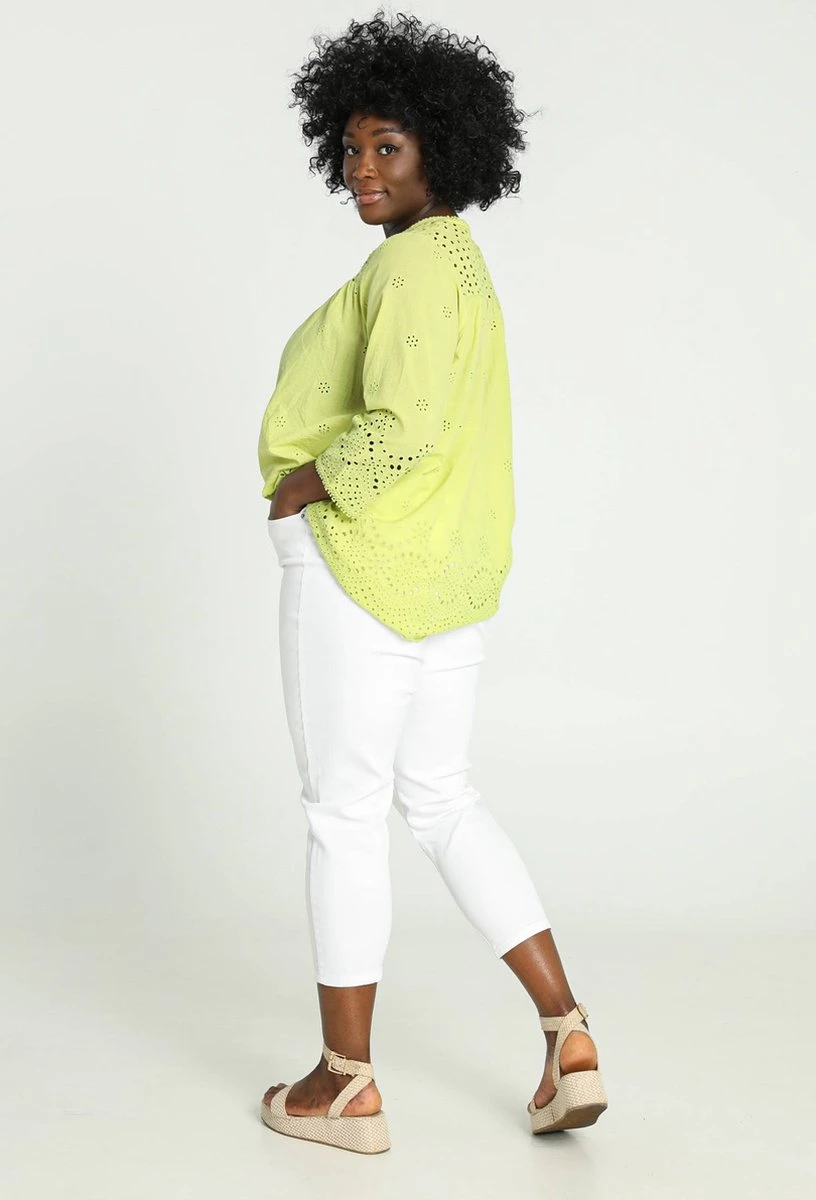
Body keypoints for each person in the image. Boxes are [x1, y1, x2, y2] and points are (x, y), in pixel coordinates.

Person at [256, 11, 607, 1154]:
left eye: (388, 146)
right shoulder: (463, 265)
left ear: (442, 150)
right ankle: (567, 1034)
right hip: (447, 580)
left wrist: (307, 484)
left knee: (344, 814)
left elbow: (403, 424)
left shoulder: (409, 265)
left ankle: (344, 1082)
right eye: (352, 145)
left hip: (363, 568)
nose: (363, 167)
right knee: (443, 800)